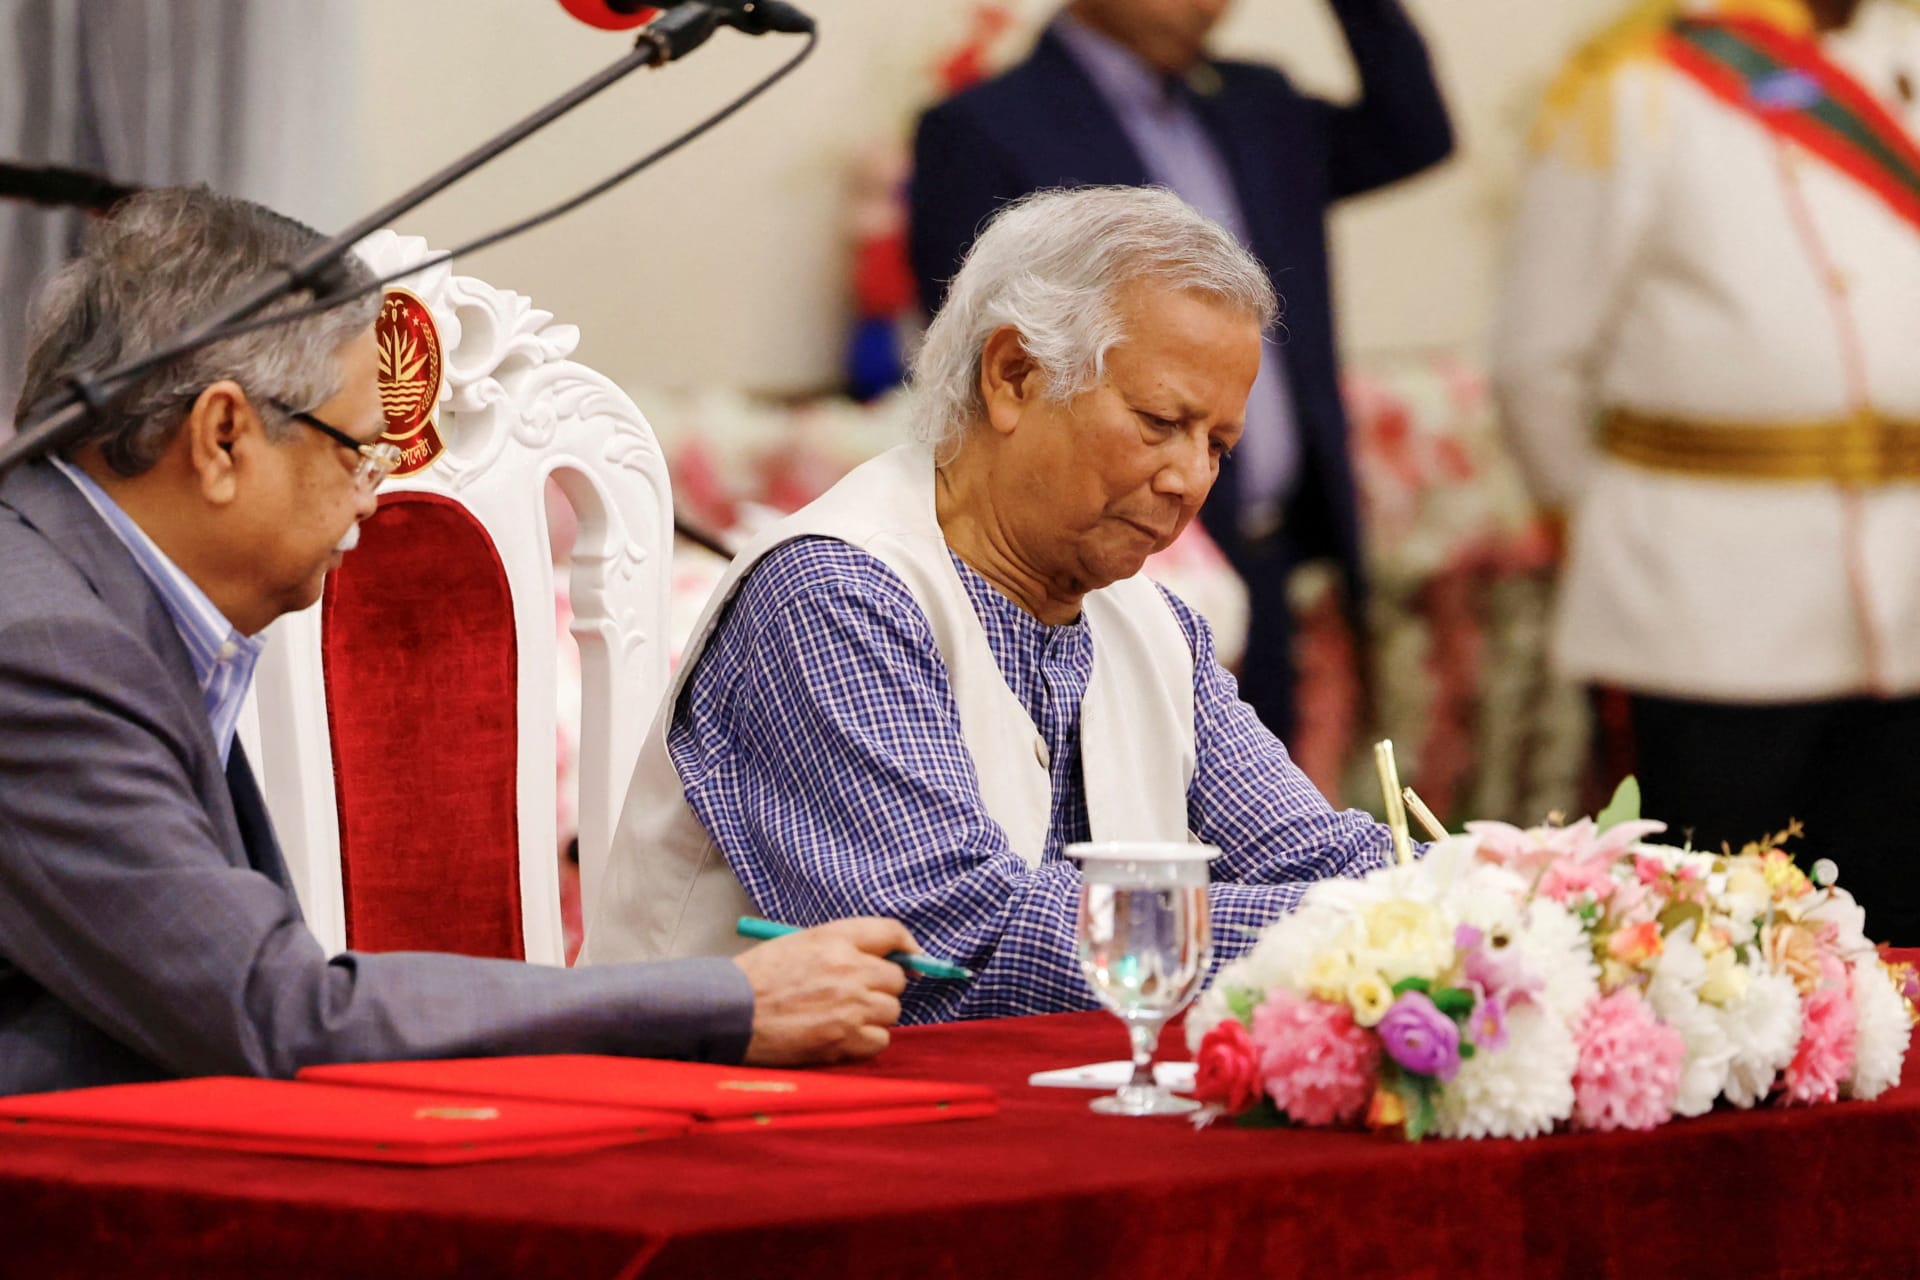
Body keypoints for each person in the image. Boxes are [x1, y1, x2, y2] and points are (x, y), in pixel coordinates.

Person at [0, 186, 917, 1097]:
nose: (373, 496)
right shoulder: (41, 649)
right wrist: (726, 1001)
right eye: (359, 451)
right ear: (224, 436)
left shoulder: (81, 590)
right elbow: (273, 1007)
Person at [584, 187, 1402, 1024]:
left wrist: (1481, 897)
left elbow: (1309, 855)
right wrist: (1372, 927)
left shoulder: (1157, 627)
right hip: (734, 1130)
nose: (1191, 479)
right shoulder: (834, 596)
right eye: (1161, 422)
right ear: (1013, 376)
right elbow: (953, 951)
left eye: (1217, 445)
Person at [907, 0, 1454, 741]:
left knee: (1260, 830)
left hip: (1268, 553)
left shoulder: (1256, 103)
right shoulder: (987, 127)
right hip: (1102, 567)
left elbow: (1413, 130)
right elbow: (981, 367)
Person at [1492, 0, 1920, 943]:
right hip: (1706, 607)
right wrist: (1622, 540)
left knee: (1900, 935)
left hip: (1902, 598)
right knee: (1716, 945)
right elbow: (1538, 367)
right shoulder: (1641, 88)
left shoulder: (1902, 65)